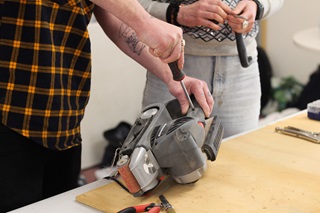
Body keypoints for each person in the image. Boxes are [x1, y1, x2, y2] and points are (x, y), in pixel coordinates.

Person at [0, 0, 213, 212]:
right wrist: (147, 23)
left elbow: (115, 19)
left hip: (65, 113)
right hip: (10, 113)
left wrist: (174, 77)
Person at [139, 0, 284, 137]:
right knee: (159, 157)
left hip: (240, 73)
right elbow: (126, 6)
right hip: (172, 66)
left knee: (238, 157)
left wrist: (257, 6)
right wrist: (175, 13)